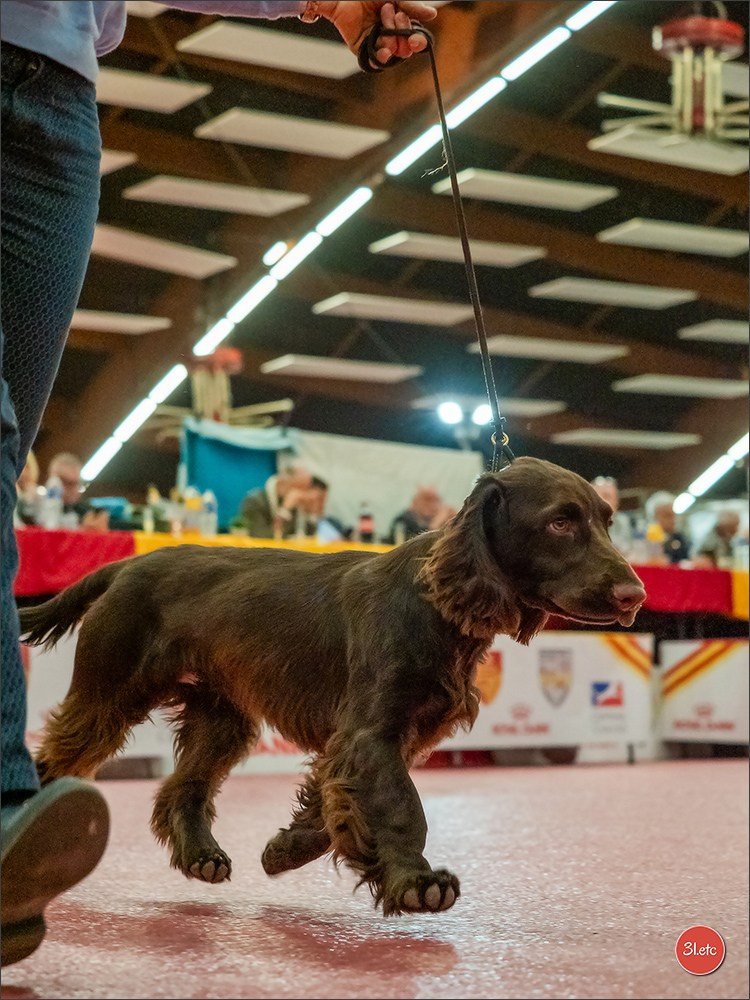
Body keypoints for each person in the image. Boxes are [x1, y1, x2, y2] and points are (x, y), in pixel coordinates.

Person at [0, 0, 439, 967]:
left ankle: (35, 823)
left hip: (61, 94)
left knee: (1, 466)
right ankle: (7, 809)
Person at [388, 485, 456, 543]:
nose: (433, 505)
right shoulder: (403, 520)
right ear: (415, 501)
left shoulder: (429, 519)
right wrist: (437, 522)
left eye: (436, 500)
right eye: (427, 500)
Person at [590, 475, 633, 558]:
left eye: (612, 497)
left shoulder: (622, 520)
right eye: (605, 496)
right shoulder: (584, 521)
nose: (605, 502)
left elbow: (627, 549)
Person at [644, 491, 691, 565]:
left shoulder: (679, 537)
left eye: (673, 515)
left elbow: (687, 559)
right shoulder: (645, 538)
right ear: (653, 517)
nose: (673, 520)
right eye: (667, 515)